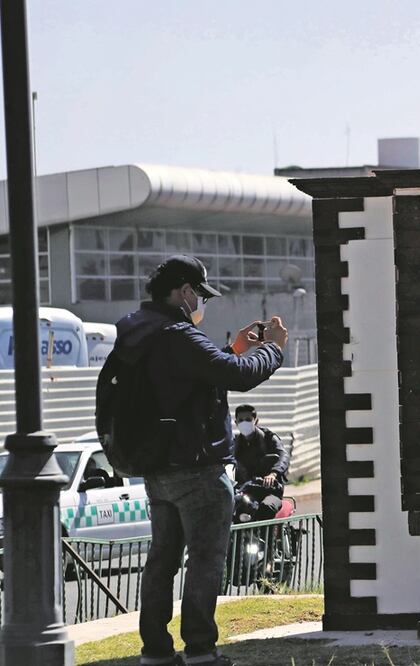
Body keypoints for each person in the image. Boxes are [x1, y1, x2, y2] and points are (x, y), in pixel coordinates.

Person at [113, 254, 287, 666]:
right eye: (199, 295)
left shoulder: (138, 331)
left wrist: (233, 349)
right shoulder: (176, 334)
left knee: (161, 562)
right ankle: (201, 650)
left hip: (158, 469)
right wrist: (273, 350)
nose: (201, 304)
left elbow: (188, 384)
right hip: (199, 470)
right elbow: (238, 376)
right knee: (205, 561)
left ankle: (155, 651)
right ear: (185, 291)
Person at [232, 404, 292, 523]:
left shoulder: (268, 438)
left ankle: (268, 541)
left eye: (248, 420)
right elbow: (227, 461)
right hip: (247, 489)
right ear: (236, 422)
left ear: (256, 420)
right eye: (241, 420)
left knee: (267, 507)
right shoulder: (235, 443)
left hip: (270, 490)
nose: (244, 423)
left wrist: (273, 474)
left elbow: (283, 456)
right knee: (236, 507)